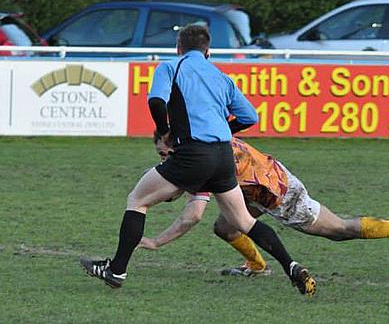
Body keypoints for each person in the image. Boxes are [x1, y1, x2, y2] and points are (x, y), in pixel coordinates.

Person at [79, 24, 316, 296]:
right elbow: (250, 116)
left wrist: (166, 131)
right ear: (208, 52)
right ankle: (291, 266)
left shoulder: (171, 67)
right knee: (243, 221)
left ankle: (116, 269)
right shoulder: (221, 77)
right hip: (224, 156)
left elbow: (156, 101)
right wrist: (224, 131)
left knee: (138, 200)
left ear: (178, 48)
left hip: (194, 154)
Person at [137, 137, 389, 276]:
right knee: (225, 226)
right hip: (258, 183)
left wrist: (156, 241)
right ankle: (256, 266)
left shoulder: (198, 161)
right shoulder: (203, 137)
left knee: (338, 230)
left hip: (277, 192)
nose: (164, 159)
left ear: (175, 147)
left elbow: (193, 216)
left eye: (165, 153)